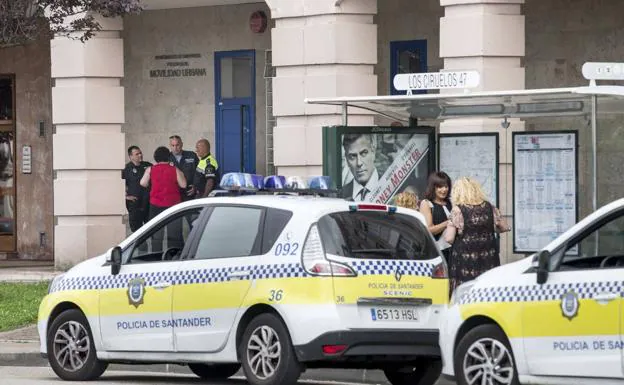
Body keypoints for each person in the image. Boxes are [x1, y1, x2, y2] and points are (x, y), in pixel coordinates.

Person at [443, 177, 511, 292]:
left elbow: (449, 238)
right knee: (487, 290)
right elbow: (504, 227)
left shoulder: (457, 210)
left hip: (465, 262)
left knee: (465, 292)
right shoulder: (490, 207)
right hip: (488, 259)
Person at [140, 146, 187, 251]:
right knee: (175, 235)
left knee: (156, 235)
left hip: (155, 205)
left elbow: (142, 183)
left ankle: (157, 257)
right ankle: (174, 257)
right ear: (169, 157)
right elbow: (183, 185)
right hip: (173, 205)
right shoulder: (174, 169)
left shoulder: (150, 169)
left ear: (155, 157)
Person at [419, 172, 453, 257]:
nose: (444, 190)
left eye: (446, 186)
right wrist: (448, 223)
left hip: (452, 250)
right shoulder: (426, 203)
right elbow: (429, 230)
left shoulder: (450, 203)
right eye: (440, 187)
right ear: (433, 187)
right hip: (437, 252)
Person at [341, 133, 379, 201]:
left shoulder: (390, 185)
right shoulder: (340, 195)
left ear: (373, 152)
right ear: (347, 159)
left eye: (363, 153)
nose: (359, 163)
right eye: (352, 156)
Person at [122, 146, 152, 233]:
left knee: (151, 231)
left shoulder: (148, 165)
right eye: (137, 154)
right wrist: (125, 197)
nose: (140, 155)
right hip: (135, 205)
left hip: (148, 204)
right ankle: (141, 247)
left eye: (140, 153)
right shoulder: (126, 169)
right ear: (131, 156)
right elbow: (117, 185)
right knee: (137, 233)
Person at [168, 135, 199, 201]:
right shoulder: (166, 158)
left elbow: (199, 173)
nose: (175, 148)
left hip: (189, 193)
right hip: (173, 195)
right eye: (173, 145)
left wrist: (195, 186)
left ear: (182, 144)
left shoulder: (192, 155)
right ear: (170, 146)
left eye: (177, 145)